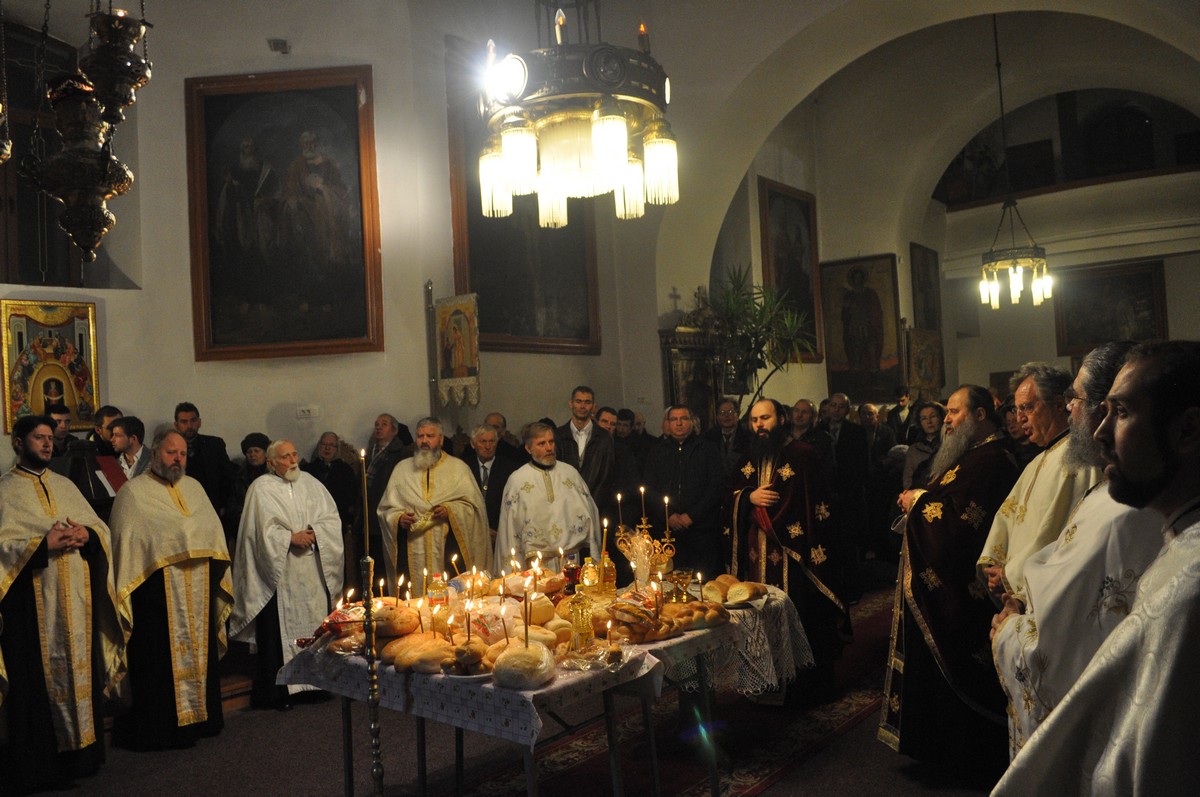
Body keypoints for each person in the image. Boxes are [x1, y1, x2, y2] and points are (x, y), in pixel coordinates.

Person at [993, 341, 1200, 795]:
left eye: (1121, 412)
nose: (1101, 432)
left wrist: (1010, 630)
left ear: (1187, 431)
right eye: (1101, 410)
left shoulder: (1188, 590)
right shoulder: (1180, 543)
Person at [879, 385, 1018, 778]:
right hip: (942, 580)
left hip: (962, 586)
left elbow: (962, 525)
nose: (947, 421)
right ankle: (942, 746)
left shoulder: (991, 460)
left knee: (962, 664)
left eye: (955, 412)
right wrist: (923, 499)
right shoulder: (974, 455)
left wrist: (919, 502)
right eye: (947, 413)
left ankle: (964, 754)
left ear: (979, 415)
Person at [0, 415, 126, 794]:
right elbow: (3, 549)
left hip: (76, 600)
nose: (46, 444)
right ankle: (42, 767)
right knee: (35, 685)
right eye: (37, 438)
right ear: (18, 443)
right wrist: (42, 546)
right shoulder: (5, 491)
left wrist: (87, 534)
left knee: (79, 673)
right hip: (30, 609)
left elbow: (98, 529)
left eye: (48, 438)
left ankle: (83, 757)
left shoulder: (66, 484)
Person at [110, 430, 233, 750]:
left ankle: (204, 719)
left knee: (200, 654)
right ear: (155, 454)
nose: (178, 459)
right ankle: (163, 729)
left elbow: (211, 531)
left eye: (182, 453)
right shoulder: (133, 493)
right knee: (158, 663)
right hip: (156, 595)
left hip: (198, 590)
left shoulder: (194, 488)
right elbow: (130, 545)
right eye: (170, 453)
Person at [728, 398, 844, 702]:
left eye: (765, 418)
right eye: (753, 420)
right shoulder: (747, 458)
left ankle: (800, 689)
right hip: (756, 555)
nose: (759, 426)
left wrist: (760, 511)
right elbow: (731, 497)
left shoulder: (803, 455)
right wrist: (748, 498)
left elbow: (809, 505)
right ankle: (763, 682)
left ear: (781, 418)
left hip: (794, 555)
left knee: (800, 615)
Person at [230, 439, 343, 711]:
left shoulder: (312, 484)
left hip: (312, 573)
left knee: (315, 627)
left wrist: (316, 533)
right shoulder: (260, 489)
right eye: (284, 457)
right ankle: (279, 693)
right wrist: (288, 538)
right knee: (277, 632)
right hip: (280, 575)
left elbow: (331, 519)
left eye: (294, 454)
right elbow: (257, 534)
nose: (292, 460)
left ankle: (314, 686)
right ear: (271, 463)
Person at [978, 364, 1103, 606]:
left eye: (1027, 407)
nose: (1019, 417)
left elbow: (1060, 533)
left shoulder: (1079, 460)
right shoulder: (1037, 461)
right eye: (1016, 409)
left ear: (1058, 405)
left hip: (1049, 593)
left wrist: (1009, 574)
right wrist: (994, 562)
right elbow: (1008, 515)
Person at [377, 417, 490, 587]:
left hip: (447, 548)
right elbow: (385, 509)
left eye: (430, 436)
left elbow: (474, 508)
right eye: (420, 436)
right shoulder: (402, 469)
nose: (424, 441)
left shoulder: (458, 468)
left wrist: (450, 510)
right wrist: (399, 518)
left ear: (441, 439)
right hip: (411, 546)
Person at [495, 422, 600, 573]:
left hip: (571, 560)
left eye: (551, 442)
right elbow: (509, 527)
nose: (549, 448)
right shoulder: (517, 480)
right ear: (528, 448)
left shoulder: (570, 473)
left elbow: (591, 511)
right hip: (535, 563)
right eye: (542, 443)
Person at [643, 405, 726, 578]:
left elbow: (715, 487)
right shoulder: (657, 452)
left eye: (684, 419)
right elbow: (650, 490)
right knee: (670, 583)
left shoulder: (708, 449)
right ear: (667, 424)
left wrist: (692, 516)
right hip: (667, 531)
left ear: (692, 422)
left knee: (704, 584)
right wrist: (669, 515)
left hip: (702, 530)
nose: (679, 423)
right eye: (674, 419)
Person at [358, 413, 412, 567]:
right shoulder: (371, 452)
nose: (379, 427)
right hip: (369, 515)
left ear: (394, 430)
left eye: (384, 424)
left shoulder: (401, 454)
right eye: (376, 424)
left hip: (388, 513)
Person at [553, 385, 616, 506]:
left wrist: (592, 503)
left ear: (593, 407)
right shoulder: (558, 435)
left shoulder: (604, 437)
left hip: (595, 503)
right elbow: (556, 472)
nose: (582, 406)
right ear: (571, 404)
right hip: (565, 503)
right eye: (578, 401)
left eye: (587, 402)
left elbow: (606, 475)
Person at [457, 423, 521, 541]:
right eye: (483, 441)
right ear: (473, 444)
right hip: (470, 533)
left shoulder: (511, 469)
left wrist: (497, 531)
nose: (488, 446)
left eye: (492, 441)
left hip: (500, 533)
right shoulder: (462, 467)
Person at [173, 402, 235, 520]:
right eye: (184, 422)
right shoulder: (169, 448)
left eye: (193, 420)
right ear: (176, 425)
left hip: (211, 506)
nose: (189, 425)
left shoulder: (214, 445)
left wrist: (223, 504)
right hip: (180, 506)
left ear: (199, 422)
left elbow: (227, 477)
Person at [226, 432, 269, 547]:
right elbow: (232, 506)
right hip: (245, 529)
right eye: (249, 452)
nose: (252, 454)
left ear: (265, 453)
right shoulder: (238, 478)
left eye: (256, 451)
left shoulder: (273, 477)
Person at [841, 266, 884, 374]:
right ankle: (856, 369)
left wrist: (869, 317)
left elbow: (875, 310)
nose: (857, 280)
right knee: (856, 346)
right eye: (855, 278)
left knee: (871, 345)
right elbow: (845, 313)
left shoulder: (870, 293)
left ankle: (873, 368)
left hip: (867, 324)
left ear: (862, 279)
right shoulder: (849, 295)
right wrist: (849, 309)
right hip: (854, 325)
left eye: (859, 277)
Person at [702, 397, 751, 476]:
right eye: (722, 412)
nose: (726, 416)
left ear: (737, 415)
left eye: (731, 412)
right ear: (717, 417)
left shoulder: (748, 437)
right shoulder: (709, 438)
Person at [902, 401, 945, 489]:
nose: (929, 421)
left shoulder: (951, 445)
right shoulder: (914, 450)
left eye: (933, 416)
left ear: (942, 418)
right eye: (924, 418)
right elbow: (908, 480)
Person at [110, 415, 150, 481]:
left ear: (133, 438)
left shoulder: (154, 460)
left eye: (117, 435)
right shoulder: (114, 464)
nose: (112, 439)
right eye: (113, 435)